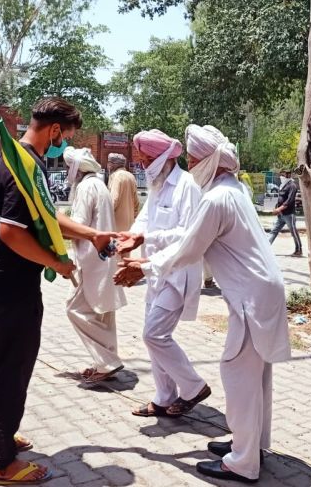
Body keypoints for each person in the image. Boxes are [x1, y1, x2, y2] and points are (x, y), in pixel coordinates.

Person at [115, 124, 291, 484]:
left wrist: (143, 267)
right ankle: (251, 444)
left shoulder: (215, 199)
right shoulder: (233, 190)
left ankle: (241, 463)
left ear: (210, 161)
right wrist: (144, 240)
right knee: (256, 378)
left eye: (195, 160)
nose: (192, 166)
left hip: (251, 298)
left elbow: (188, 248)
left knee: (237, 375)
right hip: (260, 292)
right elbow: (181, 235)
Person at [0, 97, 116, 485]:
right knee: (11, 368)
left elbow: (45, 217)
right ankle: (1, 463)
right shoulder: (25, 167)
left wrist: (92, 235)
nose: (63, 145)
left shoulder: (12, 157)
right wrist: (58, 264)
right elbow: (12, 232)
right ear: (54, 130)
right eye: (65, 137)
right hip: (9, 283)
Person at [118, 129, 210, 418]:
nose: (143, 165)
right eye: (141, 160)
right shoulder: (158, 186)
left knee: (154, 335)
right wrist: (128, 238)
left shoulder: (187, 186)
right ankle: (163, 397)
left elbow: (188, 234)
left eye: (147, 160)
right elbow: (145, 219)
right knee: (154, 337)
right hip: (155, 271)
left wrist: (146, 239)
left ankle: (194, 387)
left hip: (178, 272)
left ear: (162, 158)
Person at [63, 146, 127, 384]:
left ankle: (108, 361)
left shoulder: (86, 187)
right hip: (106, 257)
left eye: (69, 167)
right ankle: (106, 361)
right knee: (103, 315)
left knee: (75, 310)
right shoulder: (99, 184)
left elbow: (77, 225)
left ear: (76, 169)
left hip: (92, 259)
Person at [268, 169, 303, 257]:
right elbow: (280, 199)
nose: (281, 177)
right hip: (281, 215)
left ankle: (298, 250)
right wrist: (277, 208)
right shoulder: (282, 186)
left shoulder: (292, 186)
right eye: (281, 175)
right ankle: (266, 248)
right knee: (273, 231)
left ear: (288, 175)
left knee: (293, 232)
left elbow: (289, 201)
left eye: (283, 175)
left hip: (289, 214)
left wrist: (278, 209)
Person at [106, 152, 140, 232]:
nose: (108, 166)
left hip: (116, 226)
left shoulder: (116, 176)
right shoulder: (130, 176)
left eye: (109, 163)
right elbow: (136, 202)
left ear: (112, 164)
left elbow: (113, 200)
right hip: (129, 225)